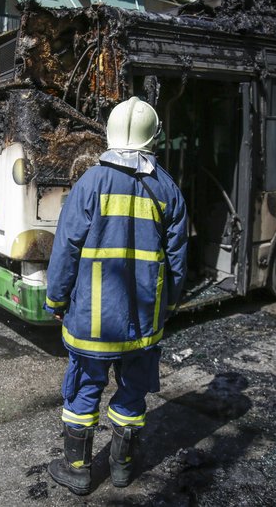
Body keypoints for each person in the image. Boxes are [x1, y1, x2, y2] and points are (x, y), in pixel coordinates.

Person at [44, 97, 189, 495]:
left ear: (109, 133)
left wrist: (56, 301)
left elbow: (66, 249)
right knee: (132, 392)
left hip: (92, 319)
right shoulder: (168, 191)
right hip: (144, 322)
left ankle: (77, 469)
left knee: (83, 390)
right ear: (152, 137)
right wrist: (168, 307)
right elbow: (177, 261)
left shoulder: (90, 182)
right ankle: (122, 468)